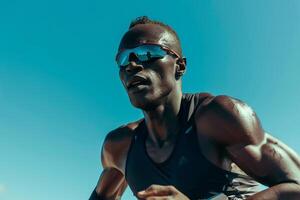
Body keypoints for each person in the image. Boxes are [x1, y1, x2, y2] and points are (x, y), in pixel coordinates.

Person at [89, 16, 300, 200]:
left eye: (147, 53)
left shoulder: (219, 117)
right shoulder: (119, 146)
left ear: (179, 67)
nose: (132, 65)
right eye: (123, 59)